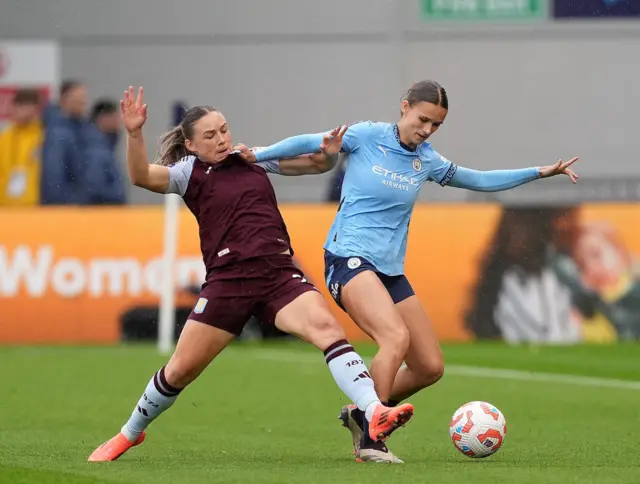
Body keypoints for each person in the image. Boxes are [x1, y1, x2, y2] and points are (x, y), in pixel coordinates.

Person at [240, 79, 580, 463]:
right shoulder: (366, 136)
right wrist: (255, 154)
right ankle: (370, 436)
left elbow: (480, 180)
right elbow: (308, 141)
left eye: (436, 125)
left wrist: (540, 172)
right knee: (394, 337)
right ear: (404, 107)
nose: (427, 130)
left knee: (429, 366)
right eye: (423, 119)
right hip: (347, 259)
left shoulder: (428, 161)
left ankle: (361, 412)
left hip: (388, 271)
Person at [87, 86, 414, 462]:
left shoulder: (251, 158)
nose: (222, 138)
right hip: (228, 283)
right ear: (191, 145)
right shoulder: (188, 173)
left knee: (328, 332)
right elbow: (141, 175)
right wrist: (133, 133)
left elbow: (314, 165)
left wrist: (329, 154)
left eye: (223, 129)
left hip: (278, 273)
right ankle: (129, 434)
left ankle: (373, 412)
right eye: (210, 135)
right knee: (179, 370)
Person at [0, 88, 43, 206]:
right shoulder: (4, 136)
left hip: (33, 205)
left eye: (27, 106)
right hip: (4, 205)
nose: (22, 111)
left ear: (36, 109)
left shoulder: (43, 136)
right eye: (18, 106)